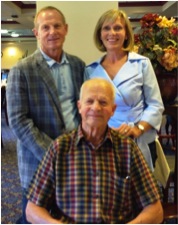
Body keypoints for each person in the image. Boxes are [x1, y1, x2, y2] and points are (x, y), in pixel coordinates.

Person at [26, 78, 163, 224]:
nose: (96, 108)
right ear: (79, 106)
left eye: (103, 102)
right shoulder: (59, 148)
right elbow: (32, 209)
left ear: (112, 110)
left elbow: (155, 210)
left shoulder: (127, 149)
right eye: (89, 101)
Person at [6, 6, 85, 224]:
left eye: (57, 26)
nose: (52, 31)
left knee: (68, 215)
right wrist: (54, 155)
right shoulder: (22, 70)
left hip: (75, 157)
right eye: (45, 27)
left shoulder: (78, 65)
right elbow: (19, 121)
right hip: (37, 161)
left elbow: (83, 112)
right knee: (33, 218)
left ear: (66, 29)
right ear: (36, 33)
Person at [84, 9, 164, 171]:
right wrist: (104, 130)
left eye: (118, 28)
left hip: (138, 138)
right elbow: (87, 110)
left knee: (138, 193)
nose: (112, 33)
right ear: (100, 34)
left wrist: (138, 128)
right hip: (104, 141)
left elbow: (156, 105)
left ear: (126, 34)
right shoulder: (90, 70)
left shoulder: (142, 64)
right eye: (106, 28)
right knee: (108, 192)